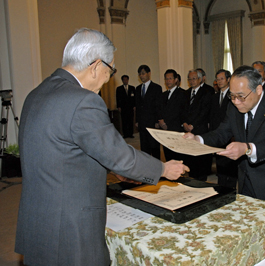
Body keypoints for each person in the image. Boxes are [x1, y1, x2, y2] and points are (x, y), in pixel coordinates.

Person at [15, 28, 189, 266]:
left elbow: (62, 152)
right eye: (110, 71)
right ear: (96, 66)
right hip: (70, 228)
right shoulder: (83, 100)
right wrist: (163, 169)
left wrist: (108, 168)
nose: (108, 79)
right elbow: (122, 157)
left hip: (39, 222)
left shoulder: (36, 93)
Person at [184, 66, 265, 205]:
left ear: (258, 90)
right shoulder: (233, 107)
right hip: (244, 178)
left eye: (241, 96)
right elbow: (221, 132)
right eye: (232, 95)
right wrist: (198, 139)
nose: (236, 101)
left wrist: (246, 148)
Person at [209, 69, 239, 188]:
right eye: (217, 79)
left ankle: (231, 187)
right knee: (220, 162)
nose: (219, 81)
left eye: (222, 78)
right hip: (217, 134)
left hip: (230, 135)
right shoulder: (214, 97)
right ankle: (221, 186)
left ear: (228, 79)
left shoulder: (233, 96)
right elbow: (211, 116)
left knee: (231, 163)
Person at [182, 69, 212, 181]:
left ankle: (201, 181)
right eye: (189, 78)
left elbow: (204, 111)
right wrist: (184, 123)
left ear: (200, 79)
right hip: (187, 129)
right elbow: (182, 111)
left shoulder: (206, 92)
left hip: (200, 129)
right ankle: (191, 178)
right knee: (189, 158)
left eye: (194, 78)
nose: (191, 81)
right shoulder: (186, 93)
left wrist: (193, 125)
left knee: (200, 160)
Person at [158, 69, 187, 161]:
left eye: (170, 78)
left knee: (178, 156)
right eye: (166, 79)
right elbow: (159, 109)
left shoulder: (182, 93)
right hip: (164, 130)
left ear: (176, 80)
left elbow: (181, 111)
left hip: (176, 129)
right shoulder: (163, 95)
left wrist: (168, 123)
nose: (168, 81)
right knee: (168, 155)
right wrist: (160, 120)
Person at [135, 65, 162, 159]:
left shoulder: (156, 88)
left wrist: (157, 121)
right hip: (142, 123)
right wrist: (137, 120)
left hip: (152, 123)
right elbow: (137, 106)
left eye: (143, 73)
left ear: (149, 73)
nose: (141, 76)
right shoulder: (138, 89)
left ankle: (157, 168)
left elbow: (158, 106)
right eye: (140, 74)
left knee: (154, 147)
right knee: (144, 148)